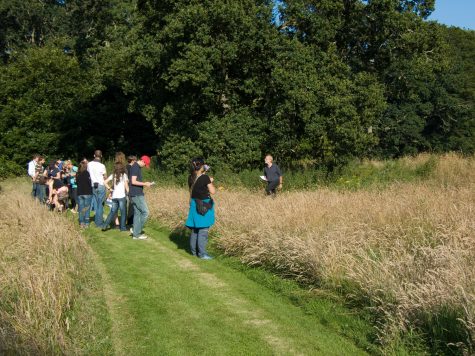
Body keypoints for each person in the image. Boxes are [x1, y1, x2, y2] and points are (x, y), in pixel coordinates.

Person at [185, 157, 216, 260]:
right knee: (203, 230)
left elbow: (194, 189)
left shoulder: (190, 177)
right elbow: (213, 191)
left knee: (195, 229)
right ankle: (202, 254)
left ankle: (194, 252)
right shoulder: (205, 178)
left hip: (194, 204)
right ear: (202, 166)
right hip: (204, 206)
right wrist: (210, 181)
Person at [128, 156, 153, 240]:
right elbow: (133, 181)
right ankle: (137, 231)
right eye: (145, 164)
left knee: (137, 213)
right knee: (146, 212)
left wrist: (145, 183)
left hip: (134, 193)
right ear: (142, 161)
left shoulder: (135, 166)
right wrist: (145, 184)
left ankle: (135, 234)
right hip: (137, 194)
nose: (144, 166)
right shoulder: (135, 167)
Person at [102, 163, 129, 232]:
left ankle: (105, 225)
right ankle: (122, 228)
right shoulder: (124, 175)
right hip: (122, 196)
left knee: (112, 212)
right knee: (123, 212)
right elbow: (126, 187)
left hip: (114, 196)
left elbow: (104, 182)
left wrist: (109, 189)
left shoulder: (113, 175)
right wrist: (129, 193)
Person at [87, 150, 107, 227]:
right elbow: (105, 176)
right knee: (100, 205)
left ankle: (96, 220)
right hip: (101, 185)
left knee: (96, 203)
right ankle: (99, 223)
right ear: (101, 156)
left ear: (94, 155)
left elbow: (89, 174)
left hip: (93, 185)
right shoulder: (102, 166)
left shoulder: (89, 164)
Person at [76, 160, 93, 228]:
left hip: (80, 193)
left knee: (81, 208)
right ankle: (86, 222)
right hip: (87, 192)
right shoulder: (87, 173)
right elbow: (89, 183)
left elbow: (77, 183)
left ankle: (81, 222)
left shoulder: (78, 174)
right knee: (86, 208)